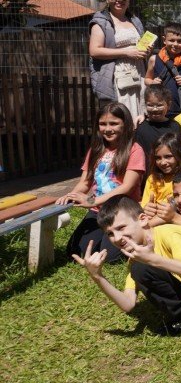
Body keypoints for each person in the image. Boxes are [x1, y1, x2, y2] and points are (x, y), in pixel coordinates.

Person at [73, 196, 181, 359]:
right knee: (140, 269)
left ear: (142, 219)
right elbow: (128, 303)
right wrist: (97, 276)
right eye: (110, 233)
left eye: (121, 228)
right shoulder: (137, 256)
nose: (117, 238)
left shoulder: (169, 234)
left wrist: (153, 259)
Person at [59, 102, 146, 263]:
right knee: (74, 252)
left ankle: (137, 230)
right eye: (102, 124)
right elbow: (85, 182)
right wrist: (72, 195)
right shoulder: (96, 150)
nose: (107, 128)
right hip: (98, 211)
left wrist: (91, 201)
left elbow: (127, 187)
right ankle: (111, 236)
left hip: (121, 210)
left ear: (125, 124)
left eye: (113, 123)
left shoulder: (134, 150)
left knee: (111, 258)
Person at [88, 0, 150, 120]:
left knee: (139, 116)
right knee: (120, 117)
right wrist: (126, 52)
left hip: (139, 73)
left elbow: (138, 48)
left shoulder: (135, 20)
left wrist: (145, 50)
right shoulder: (101, 22)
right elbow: (94, 51)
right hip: (116, 76)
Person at [144, 22, 181, 116]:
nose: (175, 44)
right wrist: (152, 82)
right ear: (164, 40)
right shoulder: (154, 59)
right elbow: (146, 80)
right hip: (159, 109)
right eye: (171, 40)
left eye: (179, 41)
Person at [134, 85, 181, 166]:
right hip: (147, 174)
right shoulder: (140, 127)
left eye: (159, 105)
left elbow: (179, 153)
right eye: (150, 105)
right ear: (145, 105)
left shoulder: (175, 127)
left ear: (169, 105)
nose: (155, 109)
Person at [141, 132, 181, 207]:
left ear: (180, 154)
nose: (163, 162)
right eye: (158, 158)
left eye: (168, 156)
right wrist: (148, 209)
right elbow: (145, 206)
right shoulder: (153, 179)